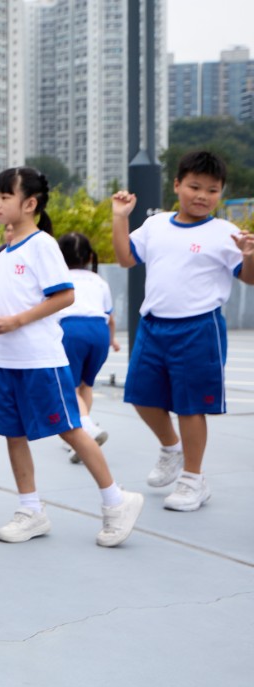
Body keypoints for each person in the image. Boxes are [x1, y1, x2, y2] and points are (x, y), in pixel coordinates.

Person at [0, 167, 144, 546]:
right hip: (7, 360)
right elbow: (7, 302)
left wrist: (15, 321)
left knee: (70, 428)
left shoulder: (42, 245)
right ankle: (30, 509)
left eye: (5, 196)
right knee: (13, 433)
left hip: (41, 360)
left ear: (30, 204)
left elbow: (65, 295)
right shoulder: (3, 254)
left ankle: (117, 500)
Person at [111, 150, 254, 511]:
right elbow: (126, 258)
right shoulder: (156, 224)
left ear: (221, 193)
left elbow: (249, 278)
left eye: (212, 190)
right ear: (176, 185)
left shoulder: (226, 233)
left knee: (191, 407)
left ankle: (193, 479)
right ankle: (171, 448)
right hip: (154, 324)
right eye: (194, 186)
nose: (202, 196)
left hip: (199, 328)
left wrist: (249, 254)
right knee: (141, 396)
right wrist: (119, 218)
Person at [55, 232, 120, 464]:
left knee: (69, 386)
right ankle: (83, 433)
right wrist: (112, 340)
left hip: (72, 330)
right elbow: (110, 318)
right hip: (99, 332)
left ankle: (85, 428)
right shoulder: (99, 281)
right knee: (86, 384)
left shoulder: (59, 278)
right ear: (90, 256)